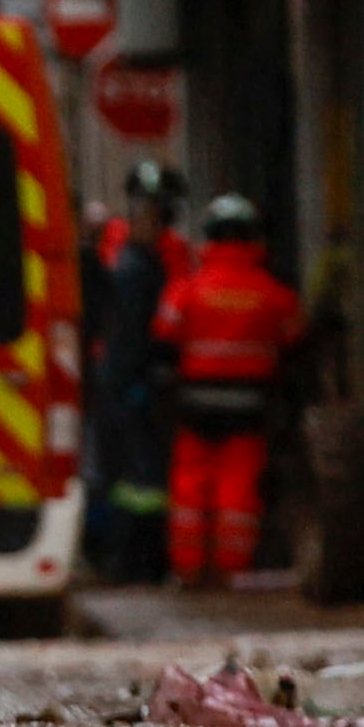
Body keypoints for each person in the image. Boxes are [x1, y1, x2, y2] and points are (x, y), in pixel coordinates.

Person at [153, 193, 303, 587]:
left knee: (189, 484)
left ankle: (188, 567)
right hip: (249, 406)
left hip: (195, 404)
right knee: (238, 485)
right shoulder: (274, 294)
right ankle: (230, 568)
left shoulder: (186, 289)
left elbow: (164, 335)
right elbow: (295, 340)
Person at [89, 160, 186, 584]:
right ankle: (132, 562)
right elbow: (128, 334)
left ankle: (135, 560)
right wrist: (132, 382)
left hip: (132, 385)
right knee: (136, 480)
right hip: (127, 388)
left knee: (139, 481)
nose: (154, 222)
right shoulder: (133, 267)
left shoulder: (148, 261)